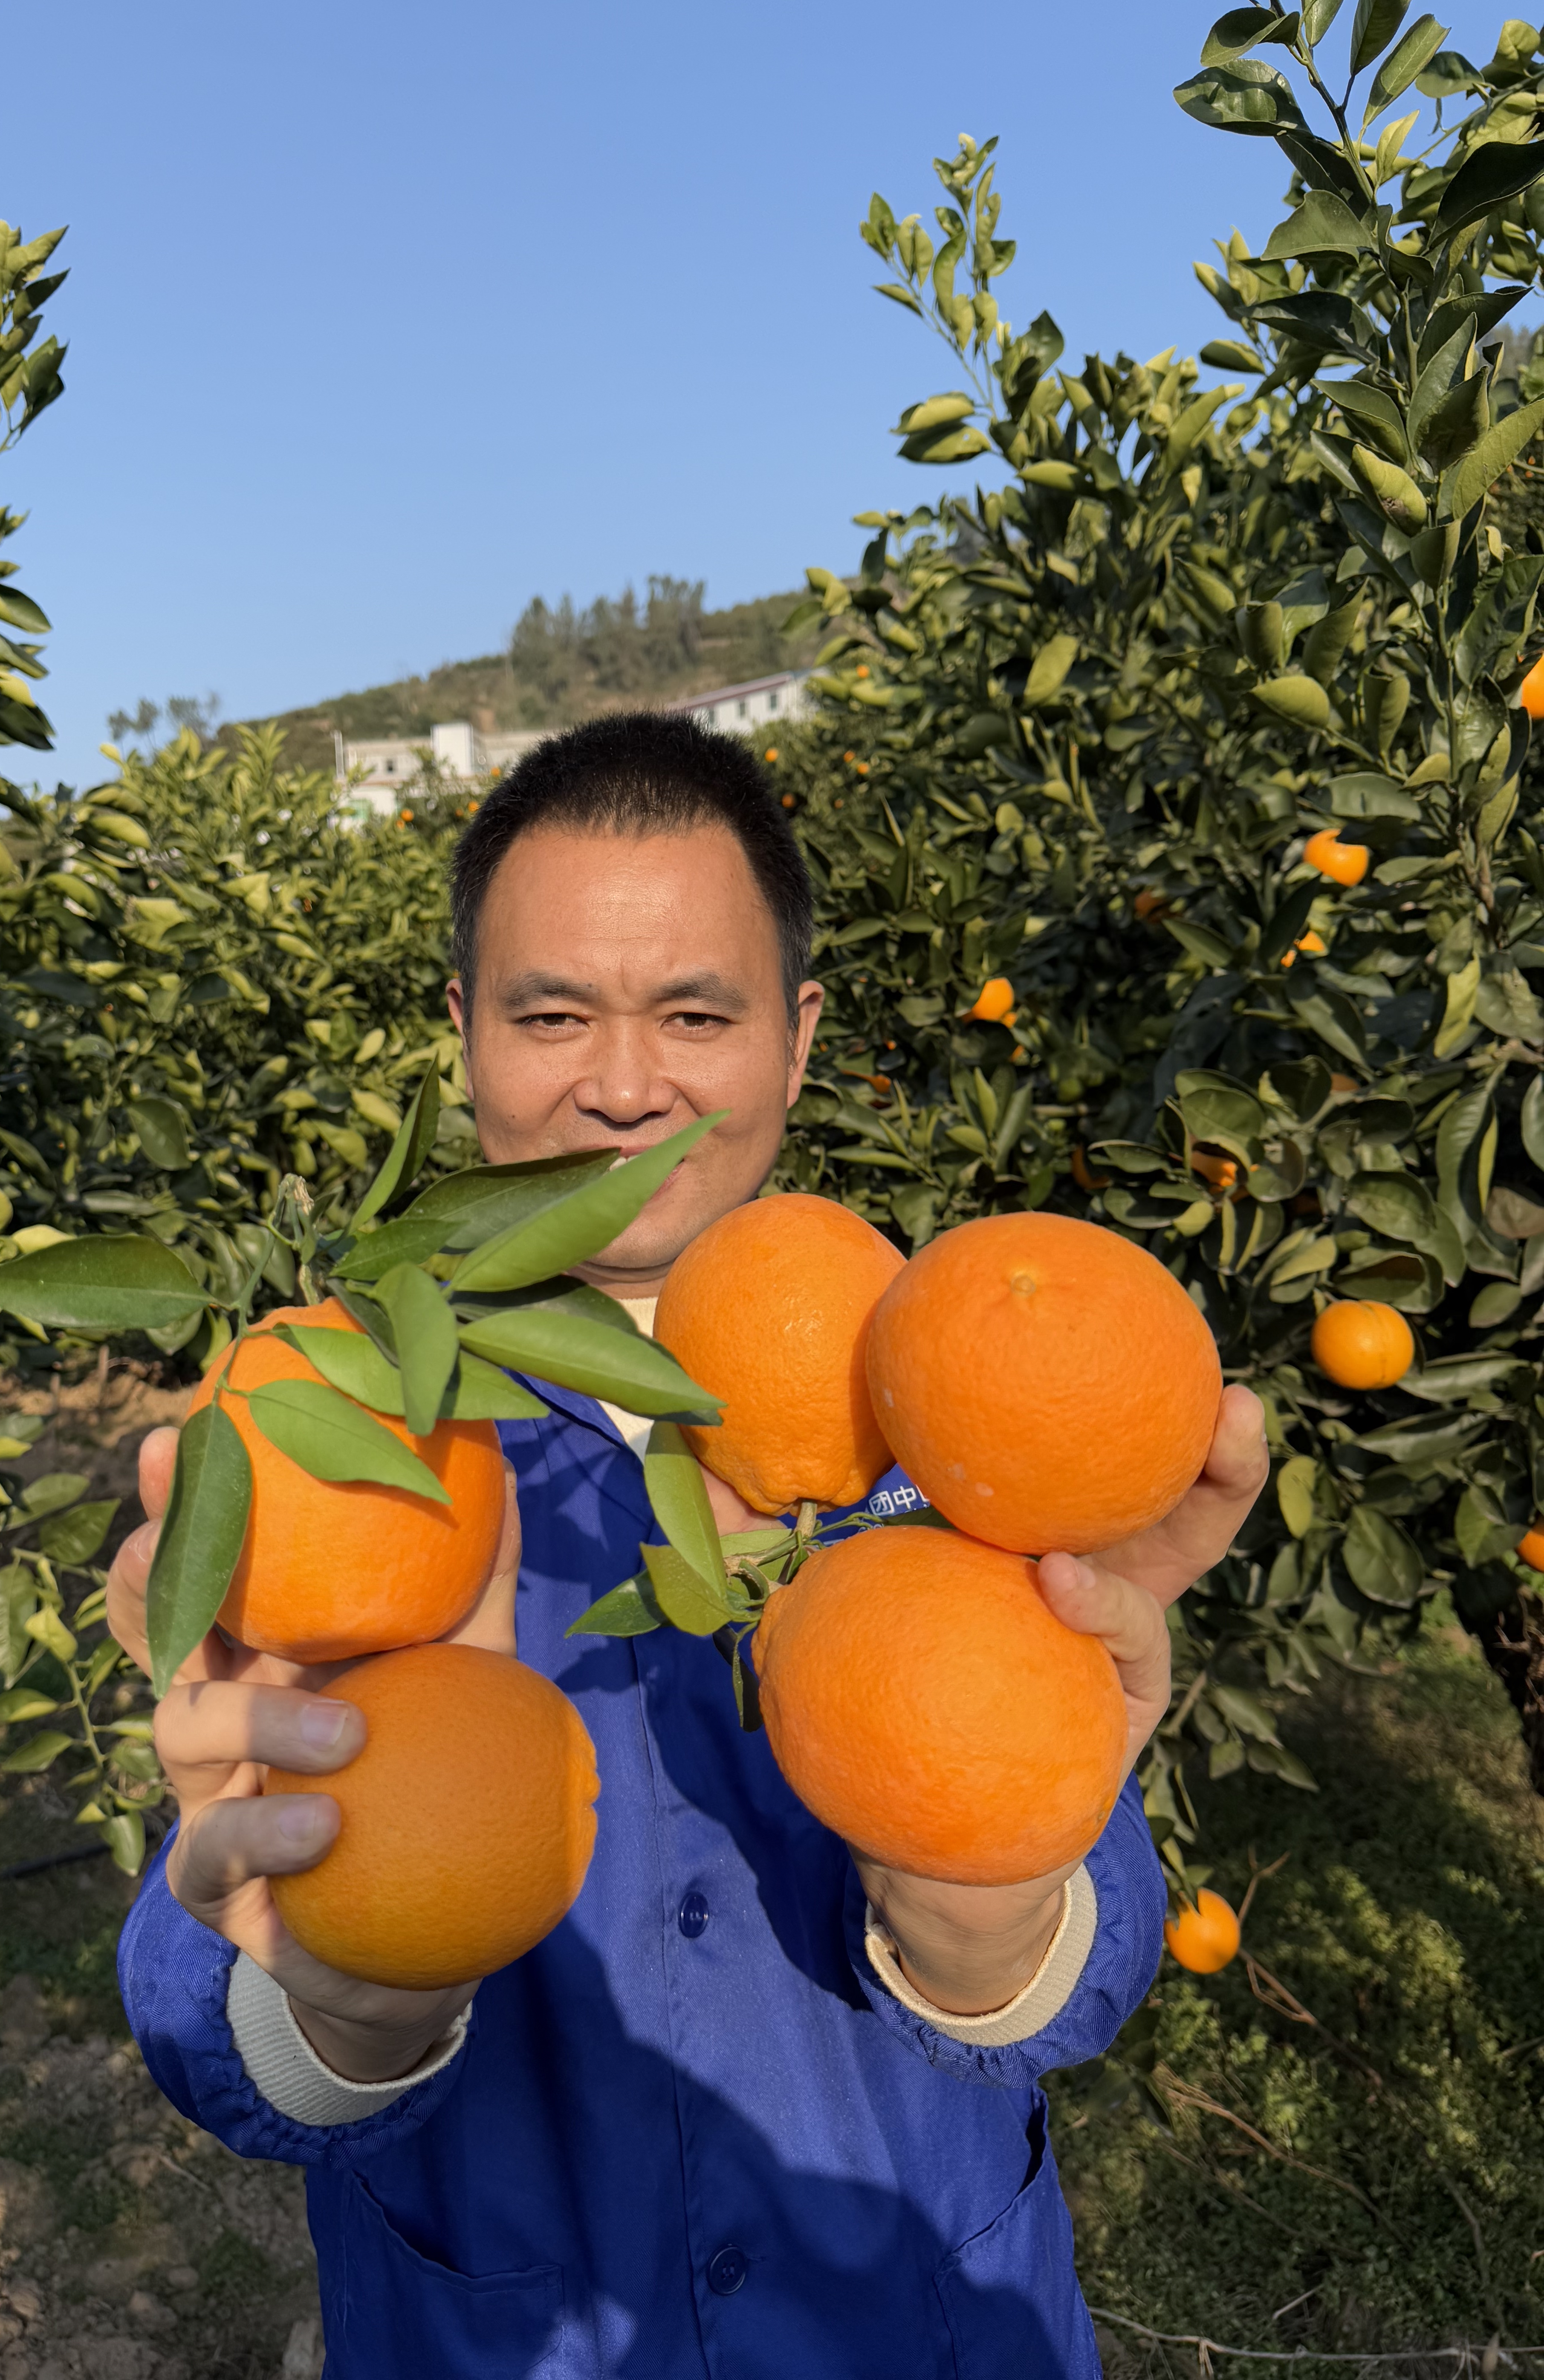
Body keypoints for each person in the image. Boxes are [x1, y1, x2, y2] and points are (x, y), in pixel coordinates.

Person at [108, 713, 1267, 2378]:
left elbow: (1075, 1959)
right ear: (464, 1036)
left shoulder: (956, 1409)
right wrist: (346, 2001)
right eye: (553, 1013)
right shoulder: (351, 1434)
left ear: (796, 1041)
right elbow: (217, 2004)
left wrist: (990, 1921)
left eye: (697, 1014)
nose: (627, 1082)